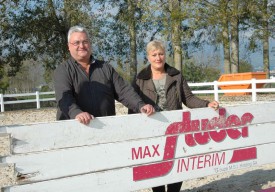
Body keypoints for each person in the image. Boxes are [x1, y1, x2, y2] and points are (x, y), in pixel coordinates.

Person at [129, 40, 219, 192]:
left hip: (175, 129)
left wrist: (206, 104)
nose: (158, 58)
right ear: (148, 57)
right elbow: (133, 103)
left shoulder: (176, 75)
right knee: (155, 165)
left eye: (161, 54)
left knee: (177, 164)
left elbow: (188, 98)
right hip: (152, 130)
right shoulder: (140, 79)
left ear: (165, 55)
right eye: (154, 54)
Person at [54, 25, 155, 124]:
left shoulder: (105, 68)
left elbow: (124, 91)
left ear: (90, 44)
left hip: (105, 129)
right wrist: (76, 113)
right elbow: (64, 99)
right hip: (74, 130)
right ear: (69, 46)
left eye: (85, 42)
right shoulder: (62, 71)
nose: (82, 46)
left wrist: (140, 105)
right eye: (76, 43)